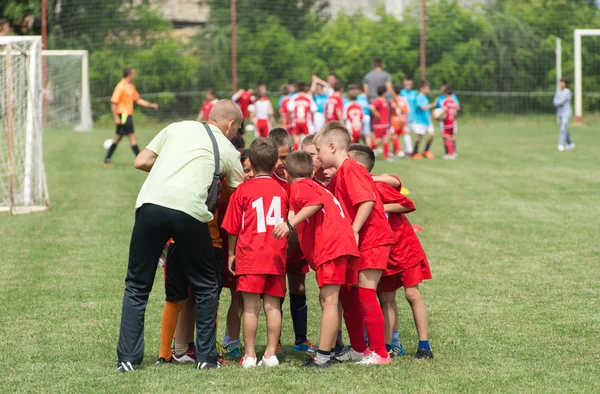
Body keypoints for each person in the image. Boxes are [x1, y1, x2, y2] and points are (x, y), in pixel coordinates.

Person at [115, 100, 245, 372]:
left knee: (137, 285)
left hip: (150, 206)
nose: (236, 134)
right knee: (206, 287)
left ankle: (127, 359)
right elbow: (239, 193)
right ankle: (207, 358)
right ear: (230, 125)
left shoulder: (176, 128)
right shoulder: (228, 149)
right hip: (190, 213)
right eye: (237, 129)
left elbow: (141, 161)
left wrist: (171, 169)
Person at [315, 122, 394, 365]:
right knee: (349, 295)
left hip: (373, 239)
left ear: (332, 147)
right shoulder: (341, 173)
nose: (318, 157)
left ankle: (380, 354)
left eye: (319, 151)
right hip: (357, 243)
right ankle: (359, 348)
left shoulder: (351, 169)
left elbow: (367, 200)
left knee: (366, 293)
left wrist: (354, 229)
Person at [273, 151, 360, 368]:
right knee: (330, 300)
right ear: (313, 171)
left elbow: (315, 205)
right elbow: (295, 212)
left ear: (285, 171)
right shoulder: (312, 185)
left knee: (329, 301)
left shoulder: (301, 187)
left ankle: (322, 357)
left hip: (332, 247)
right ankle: (338, 349)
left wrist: (288, 225)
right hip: (341, 245)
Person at [348, 145, 433, 360]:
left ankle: (424, 345)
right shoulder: (355, 185)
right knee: (385, 298)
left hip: (404, 249)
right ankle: (387, 345)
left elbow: (407, 202)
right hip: (382, 251)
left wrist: (381, 207)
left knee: (412, 294)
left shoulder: (375, 185)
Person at [222, 137, 288, 368]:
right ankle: (270, 354)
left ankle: (249, 354)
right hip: (276, 256)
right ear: (274, 164)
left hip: (250, 256)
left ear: (249, 162)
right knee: (273, 306)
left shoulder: (242, 191)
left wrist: (231, 253)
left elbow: (232, 227)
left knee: (250, 308)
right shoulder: (282, 191)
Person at [267, 128, 315, 354]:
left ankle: (301, 340)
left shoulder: (296, 179)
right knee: (275, 293)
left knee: (298, 287)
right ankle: (274, 342)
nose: (279, 163)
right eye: (276, 157)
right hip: (274, 247)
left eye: (285, 158)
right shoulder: (265, 180)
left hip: (296, 246)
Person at [104, 66, 159, 166]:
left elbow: (138, 100)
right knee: (133, 138)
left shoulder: (130, 86)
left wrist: (150, 105)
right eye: (134, 73)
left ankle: (107, 159)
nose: (135, 75)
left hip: (126, 115)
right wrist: (116, 117)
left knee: (118, 137)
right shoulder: (121, 86)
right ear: (129, 74)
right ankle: (141, 160)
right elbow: (114, 102)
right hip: (123, 115)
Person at [288, 81, 316, 150]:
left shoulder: (294, 98)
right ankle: (308, 153)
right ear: (304, 88)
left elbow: (289, 110)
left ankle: (296, 155)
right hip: (306, 122)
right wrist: (312, 121)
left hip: (297, 121)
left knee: (296, 139)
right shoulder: (308, 97)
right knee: (308, 140)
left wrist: (291, 121)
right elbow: (313, 111)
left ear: (297, 88)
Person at [412, 81, 436, 160]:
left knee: (431, 135)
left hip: (427, 121)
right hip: (420, 121)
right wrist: (432, 105)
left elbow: (426, 110)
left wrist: (431, 116)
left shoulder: (425, 97)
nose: (428, 90)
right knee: (419, 137)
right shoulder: (419, 97)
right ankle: (415, 152)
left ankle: (426, 151)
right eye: (427, 88)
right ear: (422, 88)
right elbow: (422, 107)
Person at [369, 86, 393, 162]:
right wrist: (377, 115)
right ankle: (367, 152)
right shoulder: (378, 100)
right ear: (384, 92)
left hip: (385, 124)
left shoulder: (385, 101)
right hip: (379, 125)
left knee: (386, 139)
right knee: (378, 140)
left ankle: (386, 157)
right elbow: (371, 107)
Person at [553, 76, 575, 152]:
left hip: (566, 113)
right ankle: (570, 143)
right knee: (564, 128)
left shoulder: (567, 91)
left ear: (566, 84)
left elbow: (560, 101)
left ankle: (561, 145)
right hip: (560, 113)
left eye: (562, 83)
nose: (561, 84)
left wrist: (558, 101)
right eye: (560, 82)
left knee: (563, 129)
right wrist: (558, 102)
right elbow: (555, 101)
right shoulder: (558, 91)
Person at [390, 85, 410, 158]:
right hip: (402, 120)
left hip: (394, 120)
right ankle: (394, 151)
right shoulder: (403, 100)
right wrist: (406, 121)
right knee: (397, 136)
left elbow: (390, 111)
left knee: (394, 136)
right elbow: (406, 111)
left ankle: (399, 150)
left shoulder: (392, 100)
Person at [440, 88, 460, 159]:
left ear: (445, 94)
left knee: (446, 137)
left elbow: (444, 110)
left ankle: (451, 154)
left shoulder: (445, 102)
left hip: (447, 122)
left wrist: (437, 114)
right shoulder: (454, 102)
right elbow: (458, 109)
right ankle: (452, 152)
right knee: (451, 137)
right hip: (453, 121)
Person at [400, 78, 417, 155]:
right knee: (406, 133)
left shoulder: (415, 93)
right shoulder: (401, 93)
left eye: (409, 84)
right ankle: (409, 151)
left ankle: (409, 150)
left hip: (414, 117)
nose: (408, 85)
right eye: (406, 84)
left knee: (418, 133)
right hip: (404, 118)